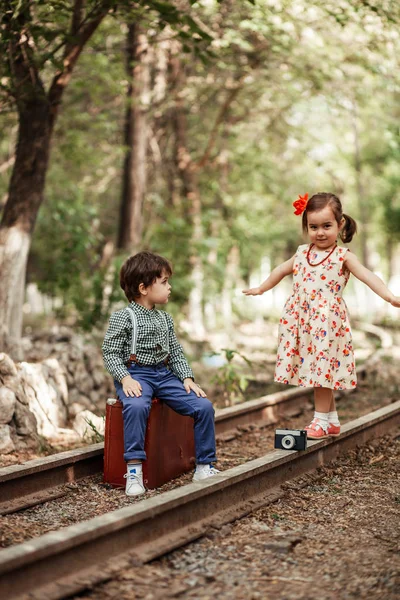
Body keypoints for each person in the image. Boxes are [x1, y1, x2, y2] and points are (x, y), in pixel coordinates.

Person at [243, 192, 400, 440]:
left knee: (321, 371)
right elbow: (280, 271)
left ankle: (320, 421)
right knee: (317, 369)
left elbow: (369, 276)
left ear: (340, 225)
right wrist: (262, 288)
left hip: (327, 323)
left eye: (327, 226)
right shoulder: (302, 253)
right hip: (302, 322)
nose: (320, 232)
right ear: (306, 227)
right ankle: (332, 420)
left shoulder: (343, 256)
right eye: (313, 227)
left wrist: (390, 296)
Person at [102, 251, 219, 496]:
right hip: (136, 374)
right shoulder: (124, 317)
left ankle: (204, 465)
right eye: (164, 282)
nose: (169, 287)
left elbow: (175, 351)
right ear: (143, 288)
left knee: (203, 406)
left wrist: (187, 377)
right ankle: (134, 471)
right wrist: (125, 378)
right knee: (135, 407)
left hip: (163, 375)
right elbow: (110, 352)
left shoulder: (165, 319)